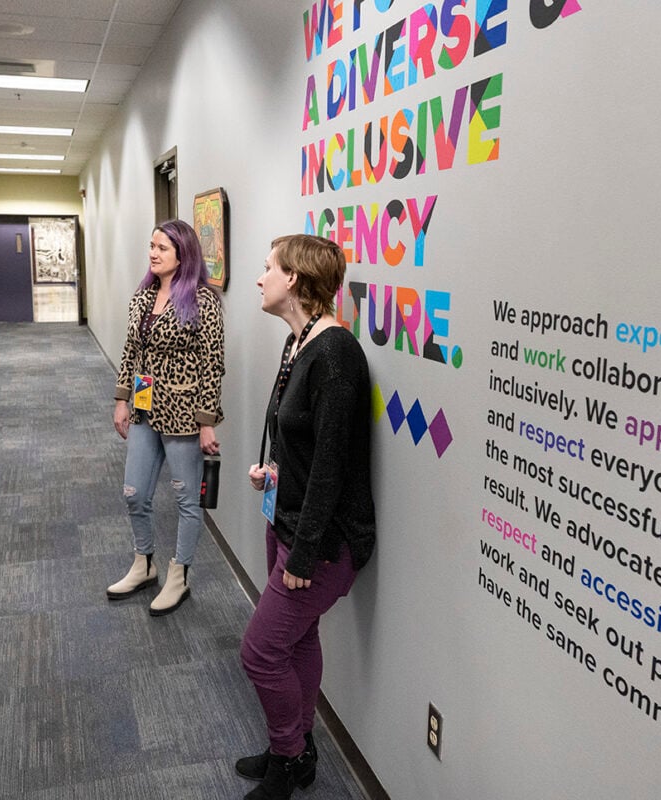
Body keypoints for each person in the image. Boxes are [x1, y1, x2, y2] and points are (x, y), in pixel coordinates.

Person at [238, 235, 376, 800]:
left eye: (268, 268)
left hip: (322, 541)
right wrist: (273, 473)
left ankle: (288, 760)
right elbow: (303, 445)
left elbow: (333, 468)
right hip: (289, 519)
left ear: (294, 278)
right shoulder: (298, 342)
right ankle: (298, 744)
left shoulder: (336, 354)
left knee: (259, 651)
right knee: (297, 641)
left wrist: (304, 553)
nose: (259, 277)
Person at [108, 219, 224, 616]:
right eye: (151, 245)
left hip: (184, 412)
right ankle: (144, 563)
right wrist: (122, 399)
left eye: (162, 248)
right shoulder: (142, 297)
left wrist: (207, 419)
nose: (153, 253)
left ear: (183, 254)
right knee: (134, 492)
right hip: (144, 404)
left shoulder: (203, 301)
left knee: (185, 499)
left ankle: (180, 575)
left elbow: (213, 364)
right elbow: (131, 352)